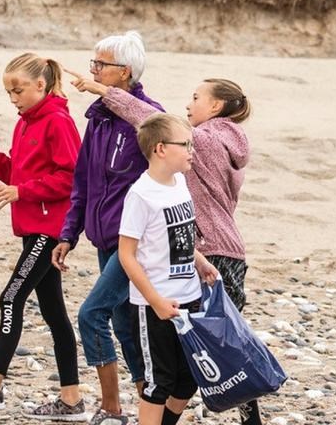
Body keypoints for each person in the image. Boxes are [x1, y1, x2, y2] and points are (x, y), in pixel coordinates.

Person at [87, 77, 263, 425]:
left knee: (215, 354)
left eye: (196, 97)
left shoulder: (205, 145)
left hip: (210, 256)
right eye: (185, 145)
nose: (188, 104)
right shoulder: (154, 188)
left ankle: (249, 418)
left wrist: (106, 92)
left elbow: (148, 117)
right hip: (198, 269)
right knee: (192, 362)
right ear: (162, 149)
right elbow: (135, 250)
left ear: (215, 107)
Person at [0, 53, 86, 421]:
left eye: (19, 90)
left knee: (10, 298)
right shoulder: (25, 123)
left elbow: (72, 177)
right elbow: (17, 174)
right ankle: (71, 400)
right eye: (8, 91)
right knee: (54, 313)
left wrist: (22, 193)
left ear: (40, 85)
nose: (13, 97)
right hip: (31, 229)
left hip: (49, 229)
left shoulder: (58, 121)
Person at [54, 31, 164, 425]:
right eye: (93, 63)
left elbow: (161, 129)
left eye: (102, 65)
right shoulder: (97, 120)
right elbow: (83, 181)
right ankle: (149, 404)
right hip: (104, 237)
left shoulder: (149, 117)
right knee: (122, 321)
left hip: (134, 242)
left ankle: (113, 408)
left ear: (125, 73)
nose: (94, 70)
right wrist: (69, 233)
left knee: (92, 314)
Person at [118, 113, 221, 425]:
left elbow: (180, 235)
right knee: (158, 381)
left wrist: (198, 260)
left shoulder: (180, 183)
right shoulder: (140, 195)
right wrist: (156, 301)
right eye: (185, 144)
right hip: (155, 305)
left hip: (189, 296)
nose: (192, 150)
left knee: (190, 376)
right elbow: (126, 255)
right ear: (161, 149)